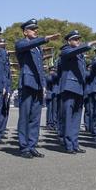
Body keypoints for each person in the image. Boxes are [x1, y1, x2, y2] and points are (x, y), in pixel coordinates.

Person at [15, 19, 60, 158]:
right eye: (32, 29)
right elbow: (30, 44)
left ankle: (32, 145)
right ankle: (24, 147)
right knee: (25, 117)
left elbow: (40, 69)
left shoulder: (37, 48)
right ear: (25, 32)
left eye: (36, 29)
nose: (35, 31)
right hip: (27, 83)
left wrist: (44, 85)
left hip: (38, 85)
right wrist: (46, 39)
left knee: (35, 117)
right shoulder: (21, 43)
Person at [58, 30, 96, 153]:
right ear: (69, 41)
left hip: (79, 88)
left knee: (76, 118)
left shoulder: (80, 56)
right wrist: (93, 43)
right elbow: (76, 51)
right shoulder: (66, 51)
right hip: (69, 88)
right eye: (75, 39)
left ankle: (74, 143)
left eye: (79, 39)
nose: (78, 41)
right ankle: (68, 144)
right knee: (68, 117)